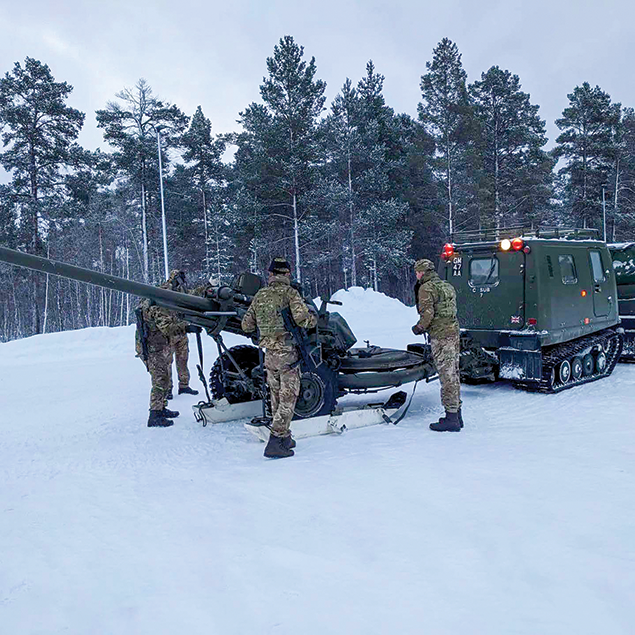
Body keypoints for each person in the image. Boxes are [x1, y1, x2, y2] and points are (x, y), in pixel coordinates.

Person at [241, 257, 318, 458]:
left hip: (269, 356)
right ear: (288, 274)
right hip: (287, 354)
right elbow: (303, 320)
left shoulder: (260, 295)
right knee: (289, 397)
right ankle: (275, 441)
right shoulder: (291, 293)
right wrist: (313, 318)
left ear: (270, 274)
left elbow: (246, 325)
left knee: (275, 396)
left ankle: (284, 436)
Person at [411, 258, 464, 431]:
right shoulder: (447, 285)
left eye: (418, 272)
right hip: (453, 334)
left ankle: (451, 419)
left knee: (446, 376)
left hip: (441, 337)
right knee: (454, 374)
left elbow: (428, 314)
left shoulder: (426, 288)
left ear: (423, 272)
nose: (417, 275)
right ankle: (457, 414)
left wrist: (419, 328)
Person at [135, 296, 184, 428]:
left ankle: (161, 408)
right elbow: (167, 328)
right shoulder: (154, 307)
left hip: (156, 347)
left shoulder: (150, 303)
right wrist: (186, 327)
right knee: (160, 380)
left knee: (165, 378)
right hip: (152, 349)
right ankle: (155, 414)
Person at [162, 270, 199, 400]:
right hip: (171, 331)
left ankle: (184, 385)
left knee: (183, 359)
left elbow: (192, 294)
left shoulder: (182, 290)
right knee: (168, 362)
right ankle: (167, 389)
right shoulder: (165, 289)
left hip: (182, 331)